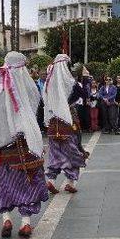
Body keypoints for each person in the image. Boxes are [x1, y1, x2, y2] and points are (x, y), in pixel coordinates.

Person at [0, 52, 49, 239]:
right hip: (25, 145)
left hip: (3, 148)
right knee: (29, 184)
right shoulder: (27, 85)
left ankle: (6, 219)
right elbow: (35, 102)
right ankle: (25, 224)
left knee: (4, 184)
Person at [43, 54, 88, 194]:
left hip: (53, 122)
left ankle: (50, 181)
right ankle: (70, 182)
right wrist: (85, 78)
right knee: (73, 152)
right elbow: (85, 95)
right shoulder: (70, 83)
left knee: (55, 153)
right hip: (69, 122)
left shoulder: (49, 83)